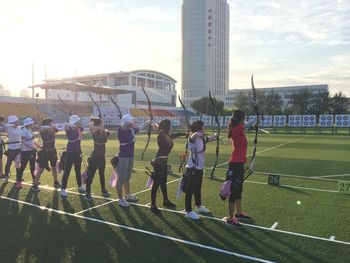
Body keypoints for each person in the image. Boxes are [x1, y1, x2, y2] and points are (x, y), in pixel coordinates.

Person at [225, 110, 255, 227]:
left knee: (239, 190)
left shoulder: (239, 129)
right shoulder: (237, 129)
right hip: (235, 164)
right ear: (241, 119)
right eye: (244, 118)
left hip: (239, 163)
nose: (245, 120)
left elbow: (247, 127)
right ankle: (230, 218)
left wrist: (253, 127)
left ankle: (238, 213)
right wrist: (257, 119)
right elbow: (249, 124)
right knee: (233, 191)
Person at [150, 119, 186, 213]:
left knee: (163, 182)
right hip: (159, 162)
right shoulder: (162, 134)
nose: (171, 127)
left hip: (163, 161)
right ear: (167, 126)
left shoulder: (165, 134)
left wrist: (183, 133)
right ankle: (153, 205)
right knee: (157, 184)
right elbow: (168, 139)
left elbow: (172, 136)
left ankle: (165, 201)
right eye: (169, 125)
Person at [115, 114, 152, 207]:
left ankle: (128, 195)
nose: (133, 122)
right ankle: (120, 199)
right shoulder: (121, 130)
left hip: (130, 156)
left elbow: (139, 127)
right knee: (120, 179)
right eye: (131, 121)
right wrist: (132, 124)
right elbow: (126, 138)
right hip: (123, 157)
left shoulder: (131, 129)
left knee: (127, 178)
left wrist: (148, 122)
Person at [185, 120, 217, 220]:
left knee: (198, 188)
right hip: (192, 168)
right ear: (199, 128)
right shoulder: (192, 138)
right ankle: (188, 211)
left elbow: (209, 138)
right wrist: (199, 133)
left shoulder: (202, 139)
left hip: (199, 168)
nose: (204, 129)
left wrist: (216, 135)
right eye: (203, 127)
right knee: (190, 190)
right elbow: (192, 137)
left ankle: (199, 206)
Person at [84, 116, 110, 202]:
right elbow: (90, 127)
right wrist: (101, 129)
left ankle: (103, 189)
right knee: (91, 174)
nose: (103, 125)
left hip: (101, 156)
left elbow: (106, 134)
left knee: (102, 173)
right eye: (102, 123)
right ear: (99, 124)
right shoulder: (95, 132)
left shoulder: (102, 132)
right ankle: (87, 193)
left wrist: (102, 130)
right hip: (95, 156)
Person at [60, 115, 85, 197]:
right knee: (67, 171)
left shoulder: (80, 129)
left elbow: (80, 129)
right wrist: (72, 124)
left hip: (78, 152)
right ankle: (63, 189)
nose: (80, 123)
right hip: (70, 152)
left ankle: (80, 186)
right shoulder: (69, 129)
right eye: (78, 121)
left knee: (78, 170)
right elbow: (66, 125)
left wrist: (76, 125)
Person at [33, 118, 60, 191]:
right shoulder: (43, 130)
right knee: (41, 168)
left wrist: (51, 127)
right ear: (48, 124)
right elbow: (42, 128)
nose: (52, 124)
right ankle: (35, 184)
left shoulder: (51, 129)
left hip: (52, 151)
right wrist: (49, 126)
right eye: (51, 123)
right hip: (45, 152)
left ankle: (55, 182)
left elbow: (57, 130)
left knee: (54, 167)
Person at [16, 118, 41, 189]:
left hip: (31, 151)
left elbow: (32, 140)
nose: (33, 124)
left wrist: (38, 146)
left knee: (32, 166)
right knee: (23, 167)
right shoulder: (23, 131)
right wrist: (33, 147)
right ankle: (18, 182)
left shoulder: (29, 130)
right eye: (31, 123)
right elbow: (23, 141)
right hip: (26, 152)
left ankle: (34, 180)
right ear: (29, 124)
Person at [3, 115, 22, 183]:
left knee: (18, 162)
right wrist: (13, 125)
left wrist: (16, 125)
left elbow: (25, 126)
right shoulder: (8, 127)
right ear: (12, 122)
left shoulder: (19, 128)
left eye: (17, 121)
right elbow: (5, 125)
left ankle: (18, 176)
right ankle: (6, 177)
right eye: (16, 121)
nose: (17, 123)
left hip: (18, 147)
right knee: (9, 163)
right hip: (11, 147)